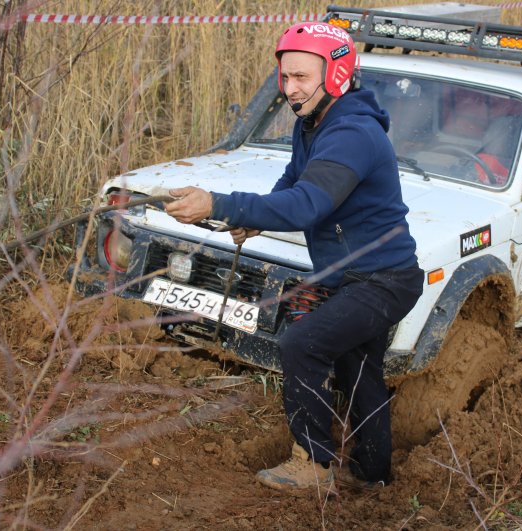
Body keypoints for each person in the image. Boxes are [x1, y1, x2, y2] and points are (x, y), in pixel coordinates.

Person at [165, 21, 423, 494]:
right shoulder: (314, 123)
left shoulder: (352, 133)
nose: (290, 88)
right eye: (285, 77)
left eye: (301, 77)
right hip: (359, 276)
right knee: (356, 368)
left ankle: (314, 464)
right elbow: (293, 181)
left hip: (383, 279)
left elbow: (309, 204)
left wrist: (221, 203)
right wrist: (258, 217)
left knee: (301, 344)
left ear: (337, 74)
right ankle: (375, 475)